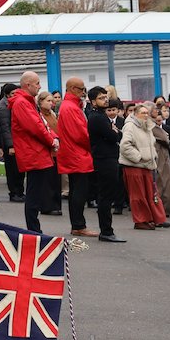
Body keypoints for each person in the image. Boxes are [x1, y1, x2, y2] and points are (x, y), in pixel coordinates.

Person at [9, 71, 58, 234]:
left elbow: (41, 124)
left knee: (36, 193)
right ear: (27, 85)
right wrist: (52, 141)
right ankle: (34, 230)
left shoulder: (27, 102)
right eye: (37, 83)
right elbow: (36, 127)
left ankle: (35, 229)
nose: (40, 86)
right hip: (33, 154)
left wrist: (53, 137)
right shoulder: (22, 103)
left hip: (36, 153)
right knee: (34, 195)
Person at [119, 102, 169, 231]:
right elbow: (125, 146)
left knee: (150, 194)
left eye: (147, 113)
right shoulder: (130, 126)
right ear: (135, 114)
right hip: (134, 166)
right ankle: (141, 220)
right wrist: (139, 157)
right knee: (138, 195)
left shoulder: (146, 126)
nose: (146, 115)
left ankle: (150, 218)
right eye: (143, 113)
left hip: (147, 166)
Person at [58, 77, 96, 236]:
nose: (83, 92)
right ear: (72, 88)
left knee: (76, 190)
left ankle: (78, 225)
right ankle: (79, 225)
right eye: (81, 89)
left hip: (73, 154)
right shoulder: (70, 108)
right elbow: (81, 134)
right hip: (77, 155)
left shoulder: (69, 106)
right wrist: (93, 146)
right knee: (79, 191)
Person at [89, 94, 127, 243]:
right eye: (101, 98)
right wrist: (114, 132)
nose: (105, 100)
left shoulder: (100, 116)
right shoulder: (97, 117)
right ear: (93, 101)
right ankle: (106, 231)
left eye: (106, 97)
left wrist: (115, 132)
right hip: (104, 160)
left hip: (108, 158)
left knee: (107, 195)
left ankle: (107, 230)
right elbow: (113, 136)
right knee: (105, 197)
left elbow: (117, 134)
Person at [0, 82, 25, 203]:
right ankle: (14, 193)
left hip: (19, 141)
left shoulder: (15, 103)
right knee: (12, 170)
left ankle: (20, 192)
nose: (16, 95)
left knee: (20, 169)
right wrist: (10, 146)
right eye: (13, 93)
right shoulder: (3, 106)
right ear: (7, 95)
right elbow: (5, 127)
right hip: (10, 143)